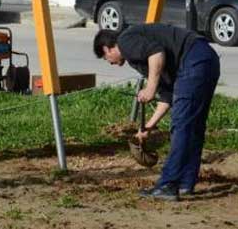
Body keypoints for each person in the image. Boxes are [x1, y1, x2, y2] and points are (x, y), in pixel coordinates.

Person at [94, 24, 220, 201]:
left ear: (107, 48)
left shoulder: (125, 41)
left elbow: (156, 52)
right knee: (193, 126)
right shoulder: (137, 55)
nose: (111, 63)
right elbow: (168, 95)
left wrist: (150, 88)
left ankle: (168, 184)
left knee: (181, 126)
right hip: (205, 59)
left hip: (194, 59)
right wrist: (148, 127)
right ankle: (185, 182)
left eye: (106, 58)